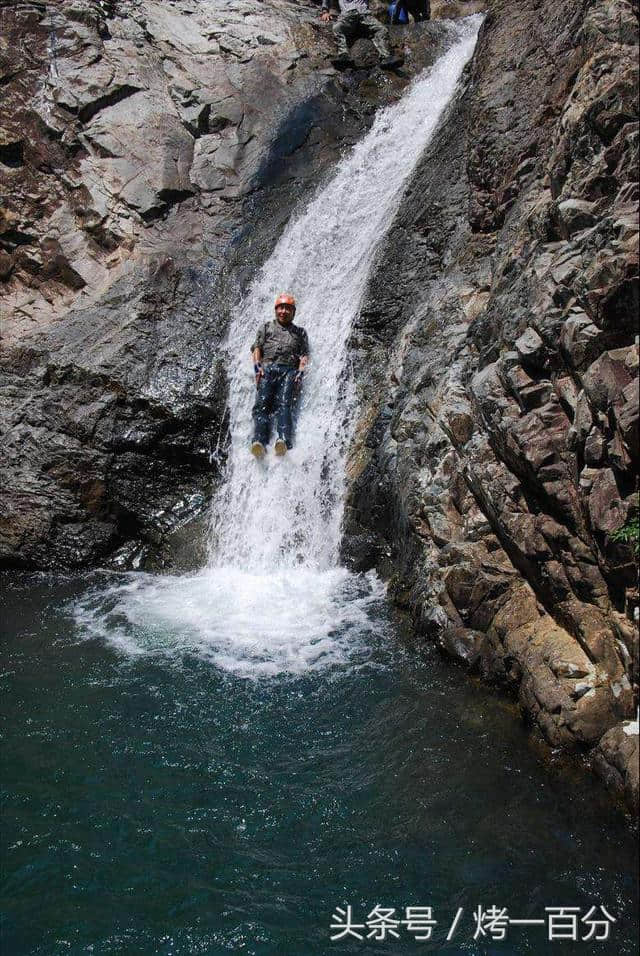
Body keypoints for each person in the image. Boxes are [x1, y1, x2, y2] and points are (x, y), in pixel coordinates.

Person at [250, 293, 310, 458]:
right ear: (276, 310)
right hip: (267, 369)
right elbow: (257, 349)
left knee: (284, 405)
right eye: (280, 308)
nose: (283, 311)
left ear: (293, 312)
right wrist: (257, 368)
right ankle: (259, 441)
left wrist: (300, 373)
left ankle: (283, 440)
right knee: (262, 405)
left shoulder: (300, 333)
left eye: (287, 309)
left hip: (289, 371)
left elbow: (304, 355)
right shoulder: (266, 327)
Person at [320, 0, 404, 71]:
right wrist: (325, 11)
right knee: (337, 28)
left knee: (381, 29)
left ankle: (386, 57)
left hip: (364, 14)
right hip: (348, 14)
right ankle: (344, 56)